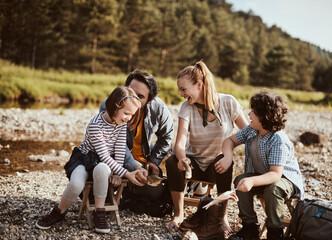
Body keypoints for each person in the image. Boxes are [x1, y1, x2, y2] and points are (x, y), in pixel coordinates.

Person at [35, 86, 146, 234]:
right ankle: (59, 212)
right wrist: (127, 173)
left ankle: (99, 213)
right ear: (114, 107)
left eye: (131, 115)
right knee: (75, 184)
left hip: (103, 164)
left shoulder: (121, 124)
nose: (128, 118)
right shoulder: (95, 125)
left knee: (101, 168)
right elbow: (104, 155)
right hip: (85, 159)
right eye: (126, 113)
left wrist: (117, 174)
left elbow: (119, 150)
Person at [165, 61, 248, 235]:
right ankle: (179, 214)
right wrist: (182, 159)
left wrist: (229, 154)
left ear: (199, 85)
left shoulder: (228, 102)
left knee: (225, 162)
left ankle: (221, 218)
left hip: (216, 166)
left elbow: (248, 133)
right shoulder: (186, 108)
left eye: (183, 89)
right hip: (193, 164)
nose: (181, 94)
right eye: (180, 90)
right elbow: (179, 143)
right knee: (172, 161)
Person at [222, 90, 304, 240]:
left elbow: (275, 174)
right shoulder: (251, 130)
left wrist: (252, 181)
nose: (248, 115)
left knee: (273, 189)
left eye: (253, 112)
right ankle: (250, 228)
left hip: (285, 180)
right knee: (240, 180)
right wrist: (228, 157)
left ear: (265, 116)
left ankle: (275, 232)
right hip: (263, 176)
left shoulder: (278, 139)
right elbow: (229, 141)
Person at [99, 69, 174, 201]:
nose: (133, 98)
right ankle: (125, 189)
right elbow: (116, 144)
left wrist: (154, 161)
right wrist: (134, 167)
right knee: (92, 192)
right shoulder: (109, 105)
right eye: (131, 92)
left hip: (142, 161)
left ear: (150, 99)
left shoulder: (159, 108)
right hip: (114, 158)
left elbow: (166, 136)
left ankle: (130, 192)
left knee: (155, 195)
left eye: (140, 96)